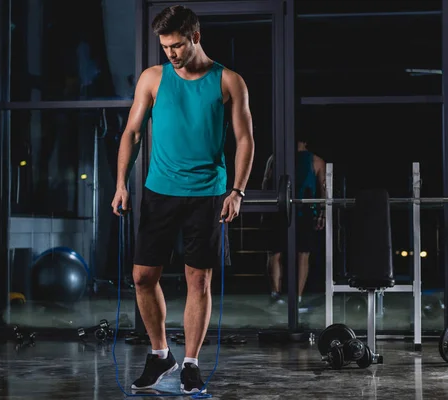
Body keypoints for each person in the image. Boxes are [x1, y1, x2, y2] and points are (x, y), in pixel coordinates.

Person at [111, 5, 254, 395]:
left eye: (176, 45)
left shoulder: (229, 82)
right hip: (159, 191)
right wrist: (121, 183)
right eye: (164, 47)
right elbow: (133, 132)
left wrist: (237, 191)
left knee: (198, 280)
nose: (170, 54)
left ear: (195, 37)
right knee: (142, 277)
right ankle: (160, 356)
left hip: (207, 193)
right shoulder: (153, 79)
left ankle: (189, 363)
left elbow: (244, 140)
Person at [262, 137, 325, 311]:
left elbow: (266, 182)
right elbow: (323, 190)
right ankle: (289, 297)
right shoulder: (311, 160)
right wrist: (322, 213)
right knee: (290, 254)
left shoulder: (278, 158)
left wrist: (322, 213)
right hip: (290, 210)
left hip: (295, 210)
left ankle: (286, 297)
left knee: (285, 254)